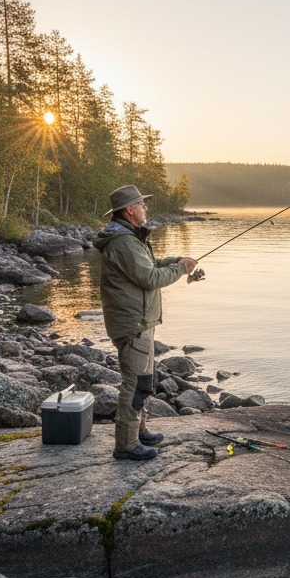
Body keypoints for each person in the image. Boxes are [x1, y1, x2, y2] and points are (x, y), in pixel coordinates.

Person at [94, 185, 199, 460]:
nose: (146, 208)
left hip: (141, 321)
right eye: (142, 204)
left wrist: (177, 260)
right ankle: (126, 446)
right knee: (135, 384)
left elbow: (149, 265)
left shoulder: (129, 237)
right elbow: (150, 279)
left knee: (144, 381)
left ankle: (138, 432)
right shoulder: (124, 242)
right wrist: (181, 269)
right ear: (130, 209)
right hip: (133, 324)